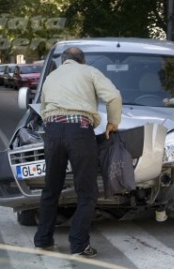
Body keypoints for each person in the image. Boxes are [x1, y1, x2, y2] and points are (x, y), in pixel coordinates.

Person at [34, 47, 122, 258]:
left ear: (64, 61)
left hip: (53, 132)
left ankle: (43, 241)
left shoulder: (51, 77)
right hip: (80, 132)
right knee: (87, 191)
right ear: (82, 61)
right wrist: (112, 123)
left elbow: (43, 107)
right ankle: (79, 245)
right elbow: (114, 97)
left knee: (51, 189)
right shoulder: (89, 72)